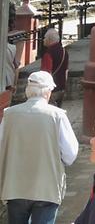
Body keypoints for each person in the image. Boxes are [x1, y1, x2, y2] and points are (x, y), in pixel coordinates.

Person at [0, 70, 78, 224]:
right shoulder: (57, 116)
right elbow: (70, 154)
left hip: (15, 186)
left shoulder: (9, 114)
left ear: (28, 91)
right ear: (47, 92)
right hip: (46, 188)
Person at [40, 28, 68, 107]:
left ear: (49, 39)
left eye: (45, 38)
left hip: (51, 89)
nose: (43, 40)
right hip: (62, 87)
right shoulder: (65, 51)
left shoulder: (48, 54)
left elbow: (45, 73)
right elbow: (66, 71)